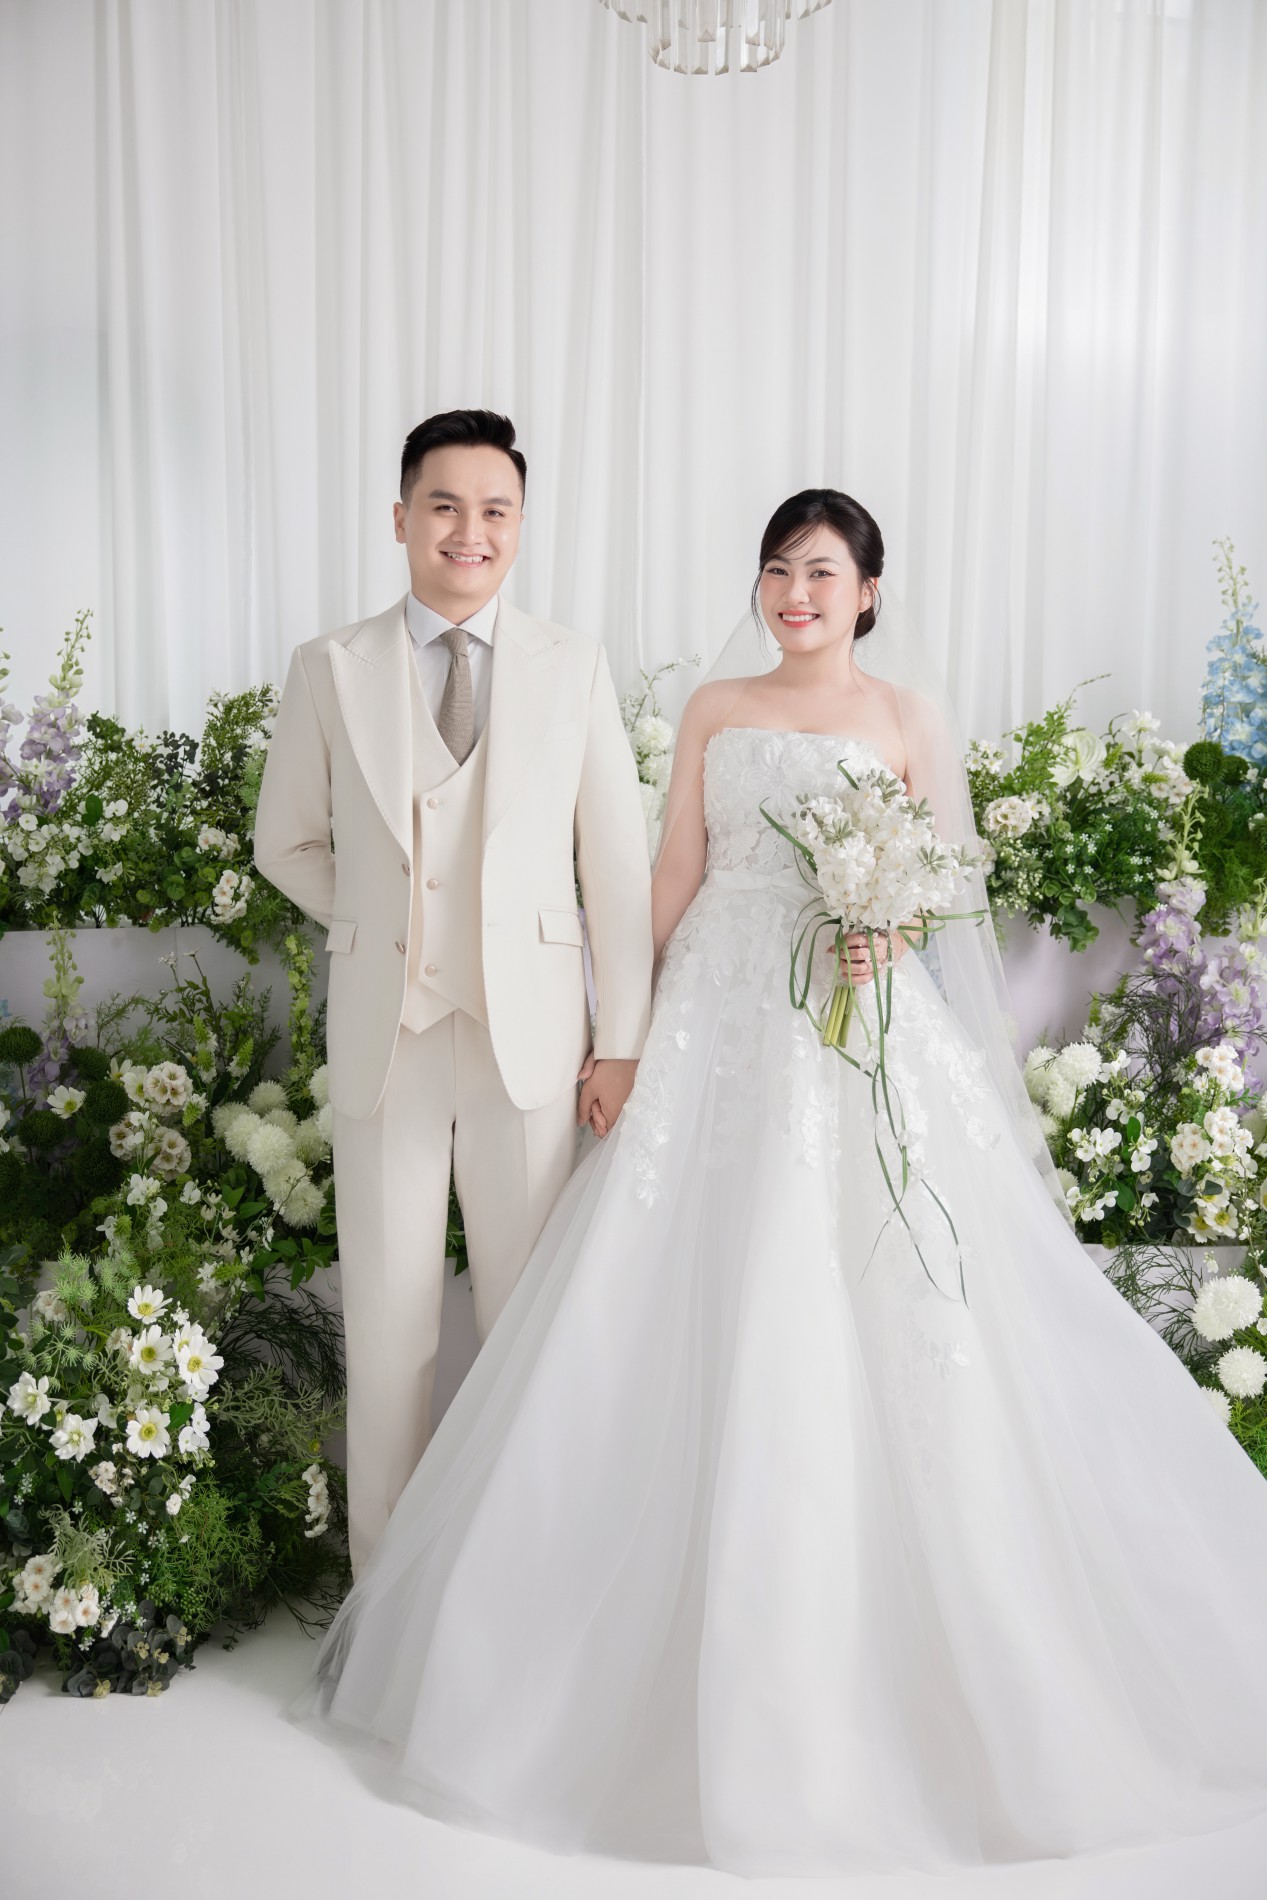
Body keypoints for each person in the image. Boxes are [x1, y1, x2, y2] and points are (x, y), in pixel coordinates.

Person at [288, 489, 1267, 1876]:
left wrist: (887, 931)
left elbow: (946, 882)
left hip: (856, 1031)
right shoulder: (715, 708)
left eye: (819, 572)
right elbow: (669, 876)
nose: (793, 593)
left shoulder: (909, 717)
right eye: (774, 570)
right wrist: (619, 1037)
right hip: (714, 1021)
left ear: (867, 590)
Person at [254, 409, 653, 1577]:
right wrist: (379, 925)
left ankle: (528, 1585)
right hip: (388, 1039)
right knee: (390, 1336)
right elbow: (286, 842)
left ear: (518, 525)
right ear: (400, 518)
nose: (468, 531)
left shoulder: (572, 665)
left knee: (527, 1327)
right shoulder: (328, 666)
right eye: (444, 505)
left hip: (536, 1045)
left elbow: (614, 871)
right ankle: (383, 1602)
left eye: (494, 510)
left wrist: (622, 1040)